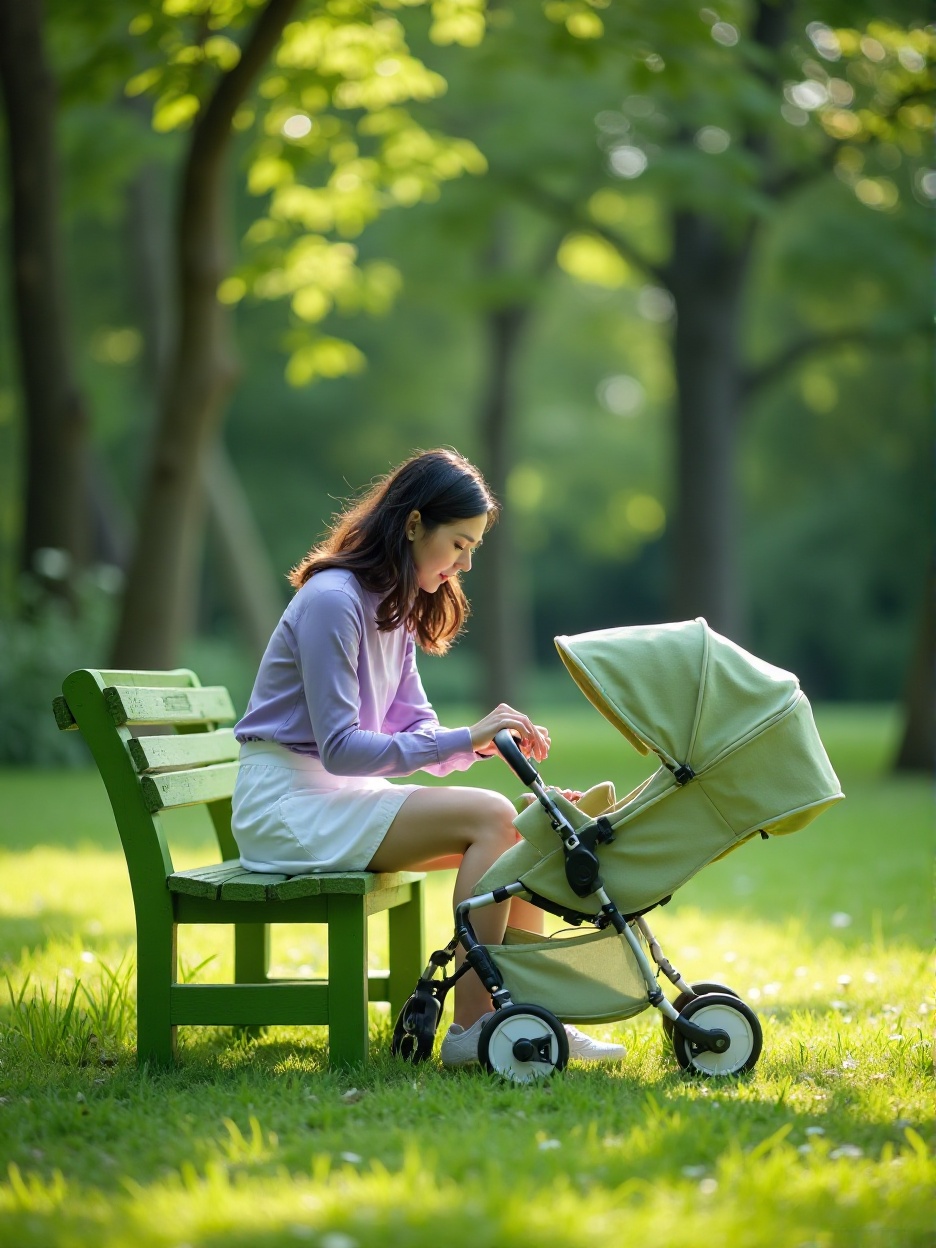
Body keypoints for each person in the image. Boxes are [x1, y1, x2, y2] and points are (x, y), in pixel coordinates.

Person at [231, 448, 625, 1067]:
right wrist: (467, 736)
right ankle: (473, 1028)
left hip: (334, 799)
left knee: (524, 830)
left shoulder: (396, 605)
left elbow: (417, 732)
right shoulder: (335, 600)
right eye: (459, 544)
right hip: (288, 805)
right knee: (495, 818)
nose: (465, 563)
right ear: (414, 524)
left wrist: (490, 741)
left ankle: (519, 1016)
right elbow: (340, 750)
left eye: (474, 550)